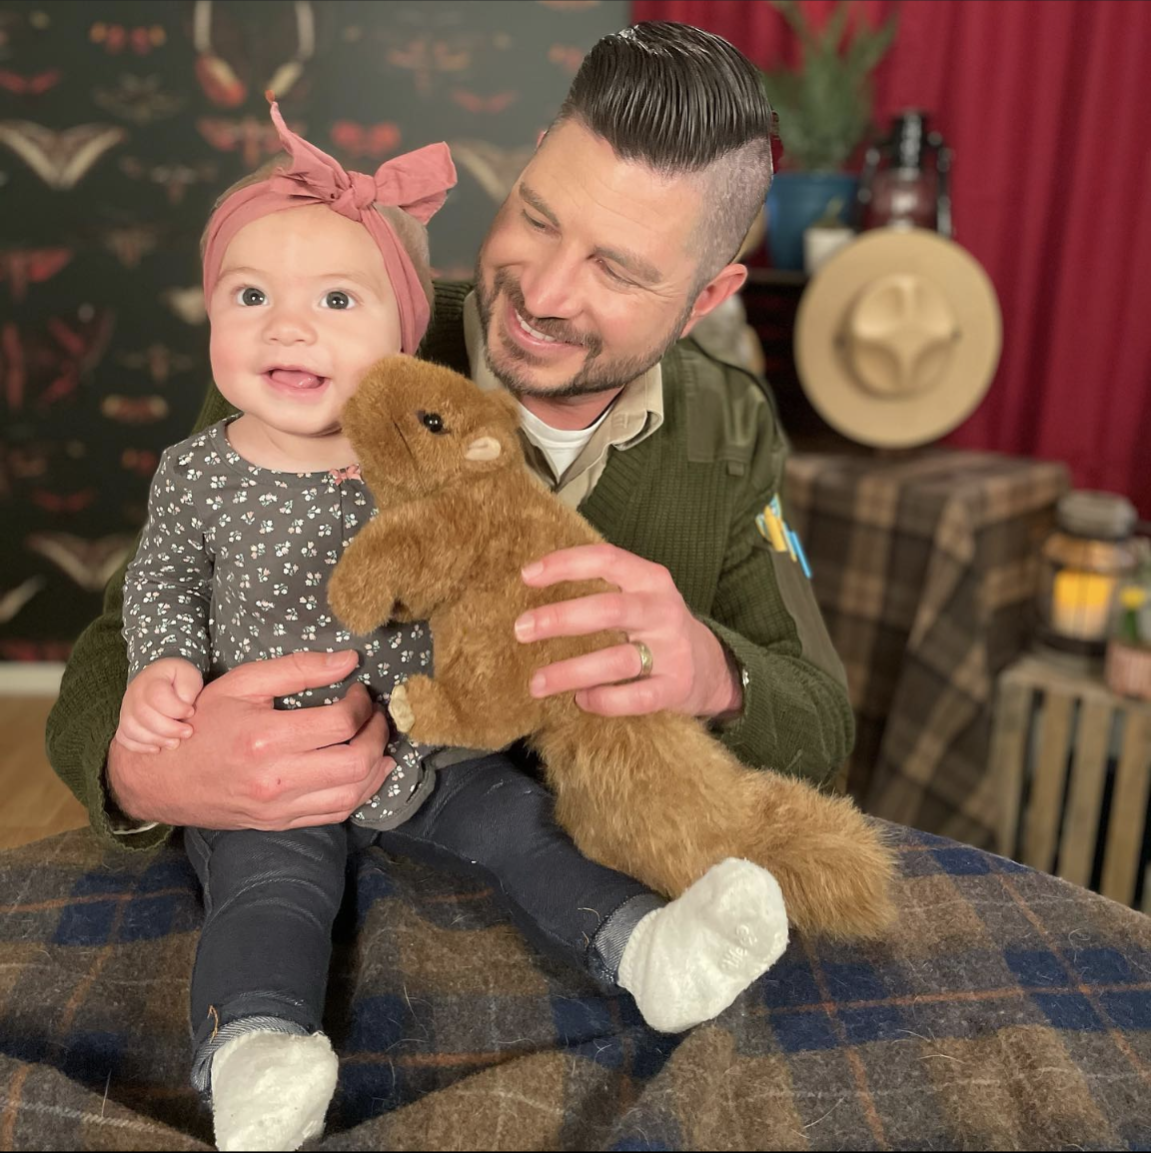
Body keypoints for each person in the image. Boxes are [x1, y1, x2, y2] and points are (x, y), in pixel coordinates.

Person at [46, 17, 854, 1141]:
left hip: (527, 865)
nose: (542, 289)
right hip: (304, 854)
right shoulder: (340, 327)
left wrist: (711, 670)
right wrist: (156, 775)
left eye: (617, 268)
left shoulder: (728, 429)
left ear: (708, 295)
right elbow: (109, 653)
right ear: (524, 158)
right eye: (536, 215)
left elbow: (818, 716)